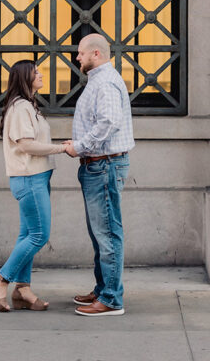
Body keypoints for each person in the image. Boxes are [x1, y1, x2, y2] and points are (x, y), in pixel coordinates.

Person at [0, 59, 66, 312]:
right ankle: (0, 280)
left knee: (27, 235)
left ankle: (23, 290)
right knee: (39, 235)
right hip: (29, 179)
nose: (41, 75)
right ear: (24, 78)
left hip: (37, 177)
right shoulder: (19, 108)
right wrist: (61, 148)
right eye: (36, 72)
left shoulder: (29, 106)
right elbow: (26, 144)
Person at [63, 32, 135, 317]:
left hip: (103, 165)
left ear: (96, 54)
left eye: (81, 53)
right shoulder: (100, 81)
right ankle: (103, 287)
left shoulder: (104, 82)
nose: (77, 57)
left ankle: (111, 299)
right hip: (98, 165)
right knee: (100, 232)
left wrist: (80, 146)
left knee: (106, 233)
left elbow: (109, 122)